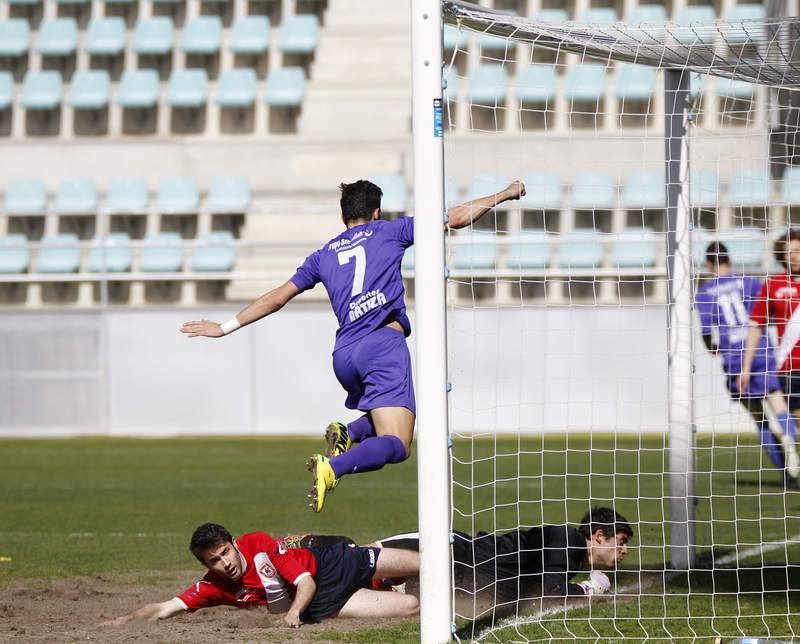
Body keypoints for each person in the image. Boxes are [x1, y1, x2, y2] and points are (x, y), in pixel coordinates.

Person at [181, 178, 526, 512]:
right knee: (398, 443)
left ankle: (350, 431)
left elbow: (278, 298)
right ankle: (333, 467)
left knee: (388, 416)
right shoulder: (391, 230)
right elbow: (457, 217)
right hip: (382, 347)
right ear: (376, 212)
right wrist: (505, 194)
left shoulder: (323, 255)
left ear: (343, 216)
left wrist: (224, 327)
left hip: (345, 356)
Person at [103, 522, 419, 629]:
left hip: (331, 564)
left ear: (233, 543)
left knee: (420, 563)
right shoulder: (212, 586)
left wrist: (293, 613)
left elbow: (304, 581)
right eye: (214, 561)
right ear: (206, 565)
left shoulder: (257, 544)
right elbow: (164, 607)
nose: (225, 563)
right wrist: (124, 620)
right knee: (411, 607)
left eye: (225, 552)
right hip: (325, 604)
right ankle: (386, 586)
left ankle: (383, 571)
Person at [283, 507, 633, 601]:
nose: (624, 551)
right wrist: (589, 588)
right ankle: (300, 546)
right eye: (620, 541)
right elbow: (551, 593)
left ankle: (297, 581)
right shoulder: (567, 540)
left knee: (370, 582)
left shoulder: (571, 553)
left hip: (462, 574)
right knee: (359, 557)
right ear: (598, 536)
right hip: (453, 551)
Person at [696, 242, 800, 487]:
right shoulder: (750, 282)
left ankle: (786, 474)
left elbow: (706, 331)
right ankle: (790, 438)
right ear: (729, 259)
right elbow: (765, 315)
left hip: (735, 360)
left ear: (709, 264)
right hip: (762, 352)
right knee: (779, 405)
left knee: (760, 420)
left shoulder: (705, 292)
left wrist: (713, 348)